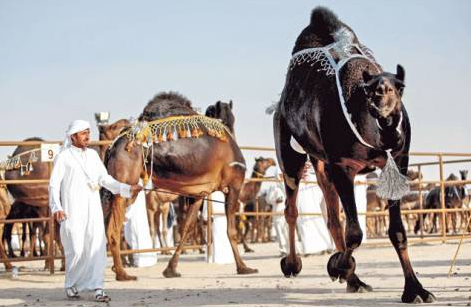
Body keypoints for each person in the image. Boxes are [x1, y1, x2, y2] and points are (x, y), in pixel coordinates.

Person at [48, 120, 142, 302]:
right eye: (83, 133)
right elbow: (53, 185)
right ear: (73, 136)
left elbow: (105, 179)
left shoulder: (92, 155)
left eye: (88, 132)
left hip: (92, 207)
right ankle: (71, 284)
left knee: (96, 247)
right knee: (75, 248)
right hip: (72, 209)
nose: (87, 136)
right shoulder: (64, 157)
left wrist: (127, 188)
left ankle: (98, 288)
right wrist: (56, 207)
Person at [296, 162, 334, 256]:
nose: (305, 169)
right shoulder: (296, 179)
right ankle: (308, 250)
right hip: (302, 208)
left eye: (306, 167)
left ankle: (324, 247)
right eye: (303, 167)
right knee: (305, 226)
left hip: (314, 207)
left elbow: (321, 192)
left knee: (319, 224)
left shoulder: (314, 179)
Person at [123, 180, 158, 267]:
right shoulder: (137, 181)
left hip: (136, 212)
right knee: (133, 234)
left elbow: (134, 200)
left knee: (136, 233)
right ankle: (137, 259)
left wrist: (127, 214)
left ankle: (139, 260)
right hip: (135, 212)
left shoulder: (138, 181)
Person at [202, 191, 234, 264]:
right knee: (224, 237)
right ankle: (227, 257)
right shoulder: (222, 194)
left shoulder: (209, 194)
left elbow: (205, 212)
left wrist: (205, 218)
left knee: (215, 237)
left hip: (215, 219)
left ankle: (216, 258)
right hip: (223, 218)